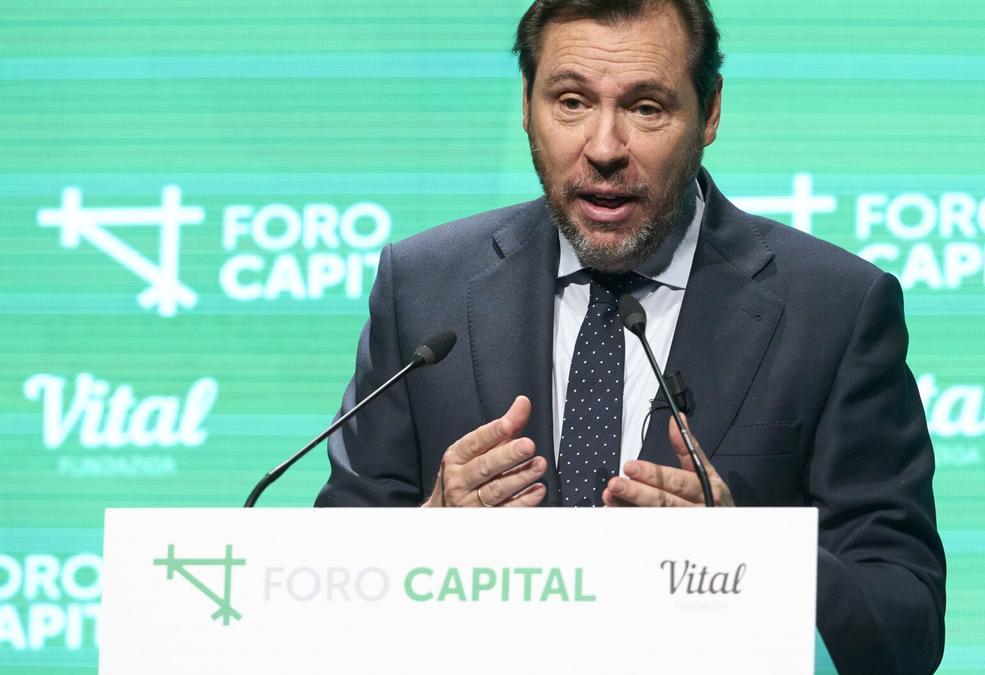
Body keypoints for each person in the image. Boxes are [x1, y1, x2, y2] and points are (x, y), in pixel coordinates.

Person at [316, 0, 946, 672]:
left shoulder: (834, 308)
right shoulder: (421, 289)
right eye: (571, 102)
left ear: (709, 112)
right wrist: (424, 541)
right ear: (526, 104)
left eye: (646, 107)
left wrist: (752, 563)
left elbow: (905, 626)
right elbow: (321, 594)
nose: (604, 148)